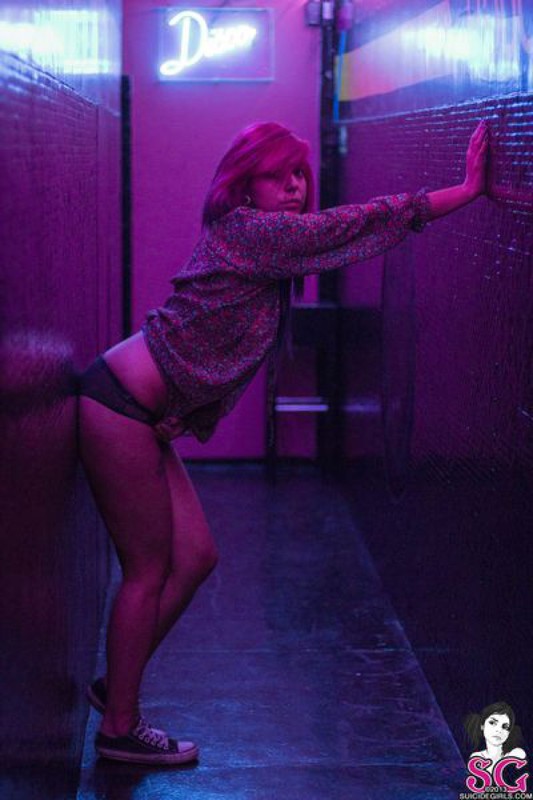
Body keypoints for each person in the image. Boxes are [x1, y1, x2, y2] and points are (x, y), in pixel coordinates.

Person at [78, 119, 490, 765]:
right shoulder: (255, 232)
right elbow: (357, 223)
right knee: (149, 570)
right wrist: (462, 192)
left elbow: (213, 340)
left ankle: (117, 686)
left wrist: (182, 413)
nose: (295, 186)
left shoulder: (262, 245)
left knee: (195, 558)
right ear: (246, 184)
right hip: (118, 406)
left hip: (142, 412)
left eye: (300, 174)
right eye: (278, 175)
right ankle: (119, 728)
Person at [464, 701, 526, 773]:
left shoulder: (517, 753)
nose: (499, 730)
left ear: (509, 733)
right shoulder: (476, 757)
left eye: (505, 727)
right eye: (492, 723)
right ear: (482, 725)